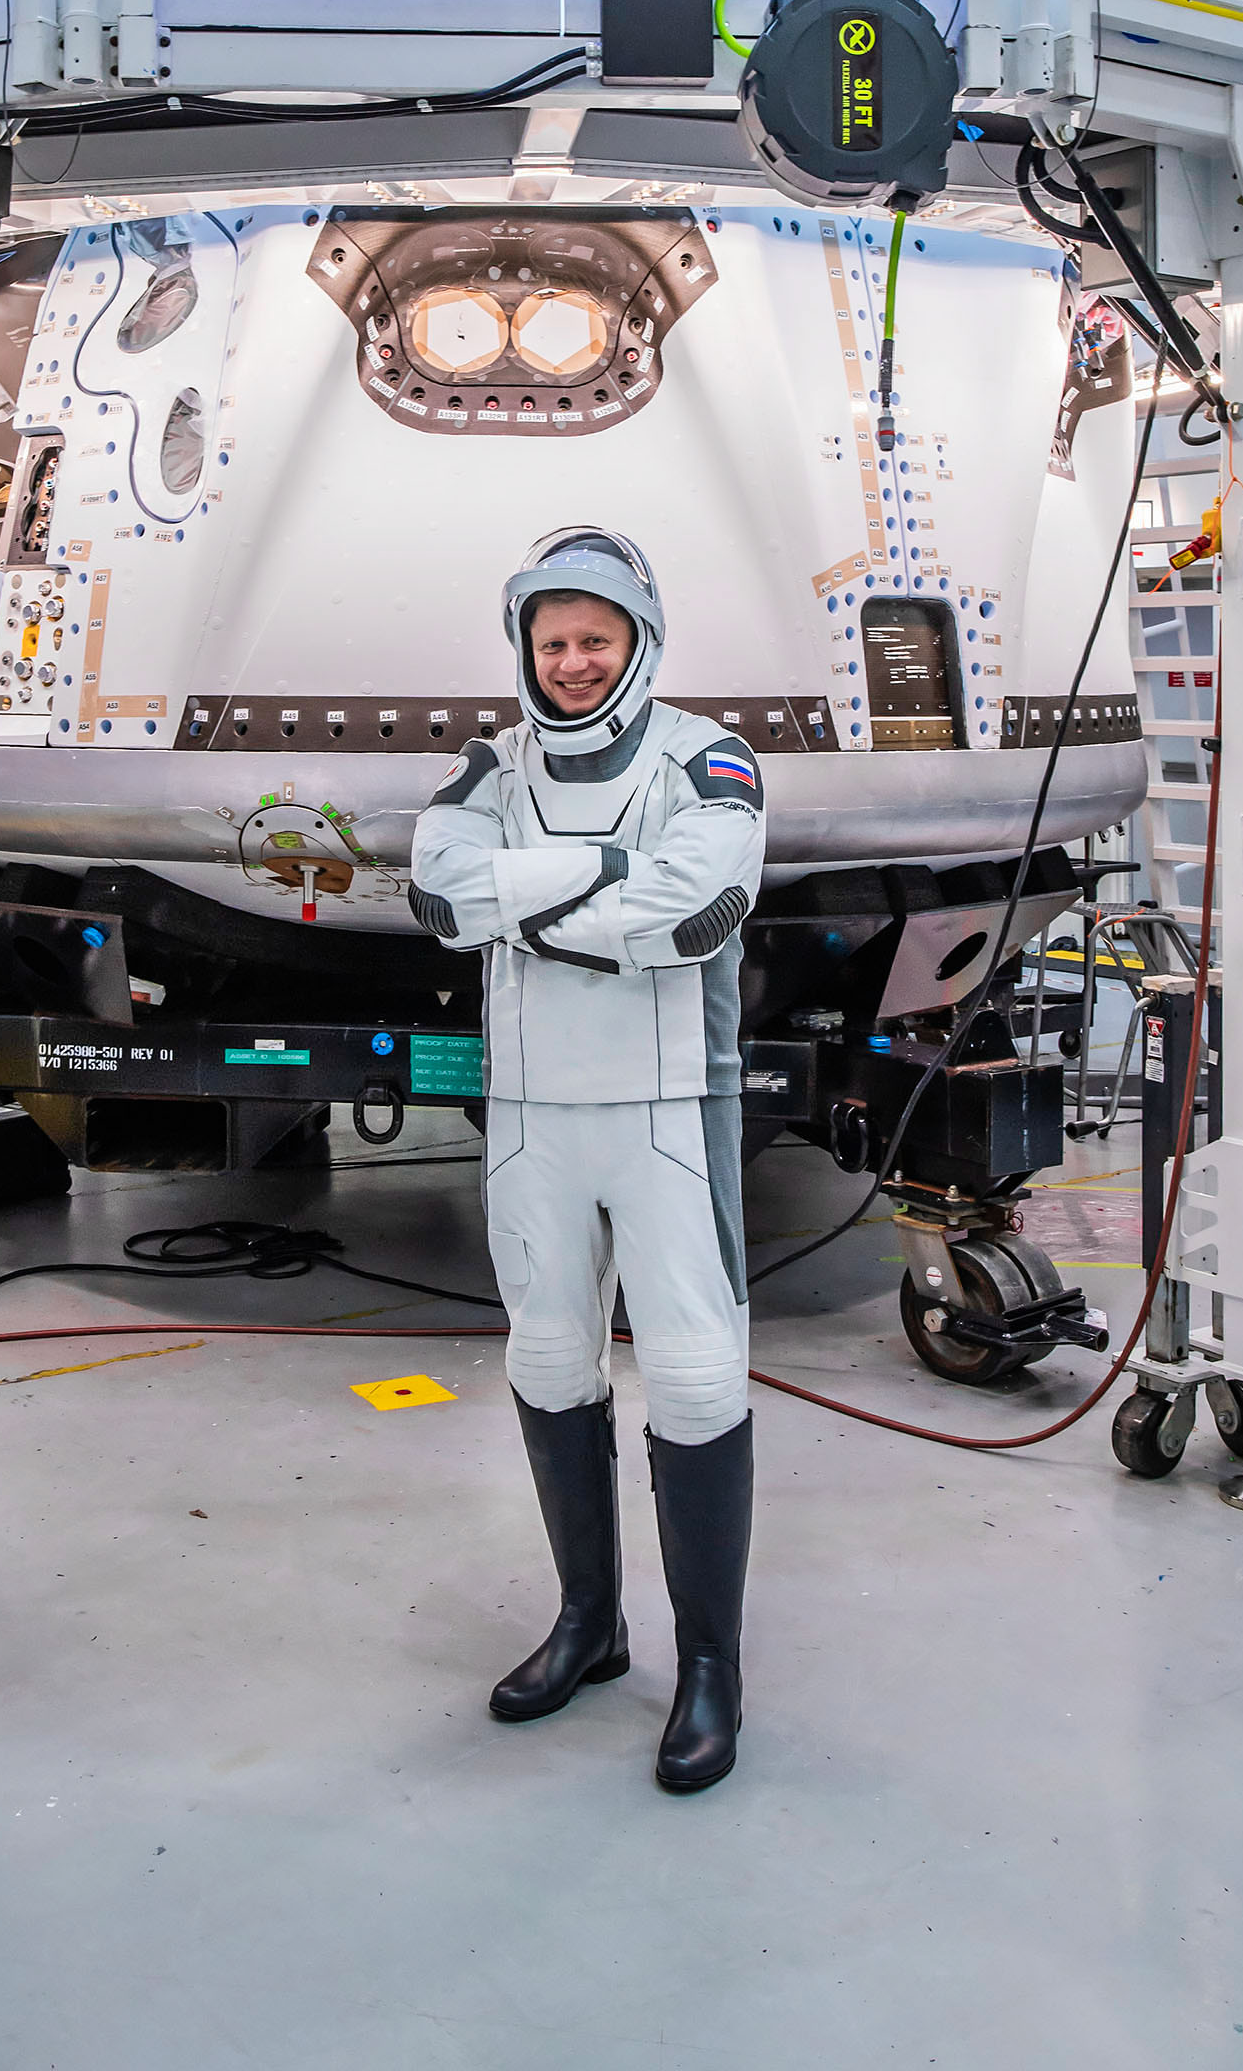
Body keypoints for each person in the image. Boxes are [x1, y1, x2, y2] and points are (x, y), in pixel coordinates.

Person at [408, 526, 765, 1792]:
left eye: (594, 639)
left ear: (639, 642)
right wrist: (609, 873)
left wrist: (522, 900)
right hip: (529, 1115)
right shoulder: (487, 765)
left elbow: (690, 915)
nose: (570, 662)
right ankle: (589, 1625)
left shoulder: (709, 759)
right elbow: (438, 897)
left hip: (667, 1113)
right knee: (550, 1361)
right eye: (551, 640)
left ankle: (710, 1669)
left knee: (696, 1383)